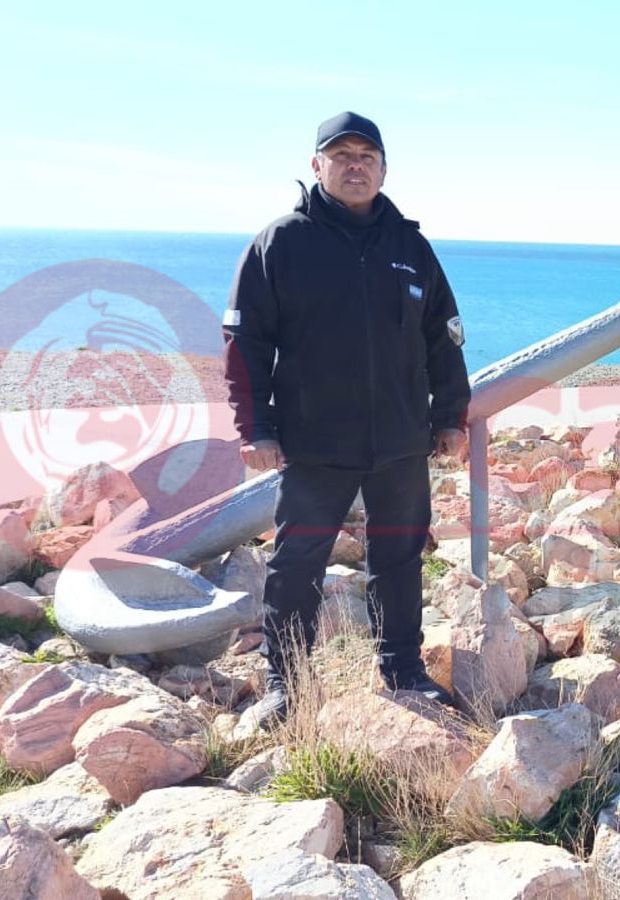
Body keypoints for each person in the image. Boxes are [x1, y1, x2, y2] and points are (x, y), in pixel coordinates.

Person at [222, 111, 470, 724]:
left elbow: (446, 337)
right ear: (317, 166)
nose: (355, 165)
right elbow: (245, 342)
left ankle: (403, 669)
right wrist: (254, 428)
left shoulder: (410, 247)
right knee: (296, 564)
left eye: (367, 156)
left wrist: (452, 418)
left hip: (401, 442)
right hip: (314, 442)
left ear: (384, 169)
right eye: (342, 155)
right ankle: (289, 684)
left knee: (399, 559)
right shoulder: (281, 243)